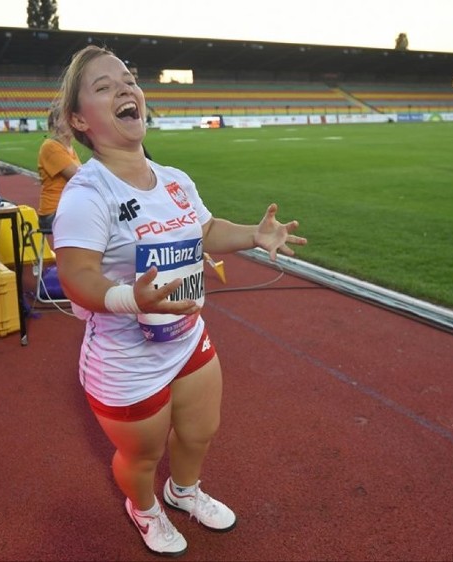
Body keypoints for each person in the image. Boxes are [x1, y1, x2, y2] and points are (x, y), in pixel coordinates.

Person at [52, 45, 307, 557]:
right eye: (105, 87)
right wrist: (129, 297)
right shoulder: (87, 193)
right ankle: (144, 508)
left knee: (199, 432)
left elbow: (207, 230)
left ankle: (183, 491)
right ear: (80, 120)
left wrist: (255, 235)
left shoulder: (175, 180)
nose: (126, 89)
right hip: (126, 360)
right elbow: (75, 276)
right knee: (140, 456)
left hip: (187, 338)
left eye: (128, 80)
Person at [37, 102, 81, 232]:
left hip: (66, 208)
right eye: (65, 118)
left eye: (72, 118)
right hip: (53, 211)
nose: (71, 122)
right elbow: (78, 176)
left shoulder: (69, 148)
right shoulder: (50, 147)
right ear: (55, 121)